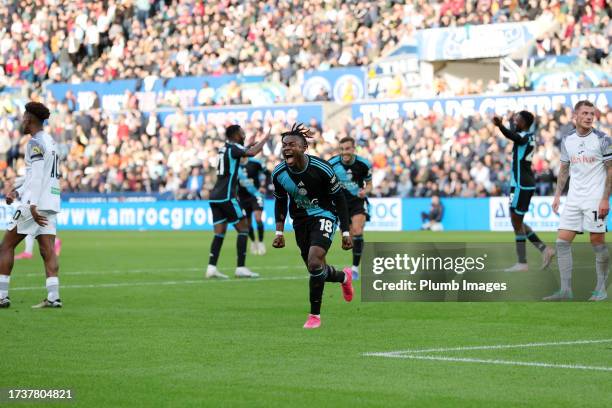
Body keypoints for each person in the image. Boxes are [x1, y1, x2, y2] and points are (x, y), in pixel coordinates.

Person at [272, 123, 353, 329]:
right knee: (315, 269)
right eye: (284, 145)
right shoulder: (279, 173)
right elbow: (280, 201)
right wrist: (279, 231)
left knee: (315, 261)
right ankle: (344, 277)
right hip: (299, 221)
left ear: (303, 148)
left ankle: (314, 316)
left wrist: (345, 231)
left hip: (325, 214)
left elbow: (340, 198)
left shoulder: (322, 168)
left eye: (292, 144)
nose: (286, 148)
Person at [545, 100, 611, 301]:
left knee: (597, 242)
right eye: (585, 113)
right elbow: (564, 169)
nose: (589, 117)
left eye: (592, 113)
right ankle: (565, 290)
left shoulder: (603, 139)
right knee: (562, 242)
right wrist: (557, 195)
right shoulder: (567, 140)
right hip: (573, 198)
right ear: (575, 116)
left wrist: (605, 199)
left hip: (594, 198)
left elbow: (610, 170)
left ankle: (601, 289)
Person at [0, 102, 62, 309]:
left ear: (30, 119)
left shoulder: (34, 143)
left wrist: (32, 204)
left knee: (6, 246)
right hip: (51, 201)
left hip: (34, 203)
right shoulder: (50, 142)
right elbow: (39, 175)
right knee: (47, 250)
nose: (22, 121)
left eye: (24, 117)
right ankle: (53, 297)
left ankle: (2, 296)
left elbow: (36, 177)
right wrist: (17, 190)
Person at [206, 125, 270, 279]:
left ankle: (211, 268)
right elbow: (252, 153)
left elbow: (242, 152)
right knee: (244, 229)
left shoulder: (224, 149)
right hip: (227, 196)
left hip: (215, 196)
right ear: (235, 135)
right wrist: (264, 140)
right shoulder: (234, 148)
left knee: (219, 233)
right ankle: (240, 268)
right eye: (242, 132)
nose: (244, 134)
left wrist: (249, 145)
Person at [493, 111, 554, 272]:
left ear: (524, 122)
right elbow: (514, 131)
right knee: (516, 221)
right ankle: (543, 250)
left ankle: (523, 262)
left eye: (517, 119)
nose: (515, 120)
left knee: (516, 221)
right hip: (518, 183)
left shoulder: (525, 137)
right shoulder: (527, 134)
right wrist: (508, 119)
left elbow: (514, 136)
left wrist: (500, 125)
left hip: (522, 184)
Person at [328, 137, 372, 280]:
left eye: (347, 149)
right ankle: (358, 250)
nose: (344, 152)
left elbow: (369, 184)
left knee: (358, 230)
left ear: (353, 149)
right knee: (348, 241)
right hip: (340, 204)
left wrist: (365, 191)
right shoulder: (332, 164)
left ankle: (354, 269)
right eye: (342, 149)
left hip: (357, 201)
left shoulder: (363, 164)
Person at [237, 161, 265, 255]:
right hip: (243, 198)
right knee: (247, 224)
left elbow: (267, 173)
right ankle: (253, 242)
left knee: (258, 218)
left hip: (256, 195)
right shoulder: (235, 165)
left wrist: (263, 186)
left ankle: (261, 242)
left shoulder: (255, 163)